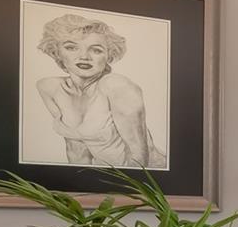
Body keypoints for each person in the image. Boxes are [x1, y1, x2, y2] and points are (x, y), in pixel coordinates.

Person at [33, 13, 166, 168]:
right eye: (71, 47)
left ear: (108, 56)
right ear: (57, 53)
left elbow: (138, 156)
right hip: (107, 180)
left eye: (96, 50)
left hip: (150, 181)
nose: (84, 56)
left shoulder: (117, 86)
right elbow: (76, 150)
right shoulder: (50, 88)